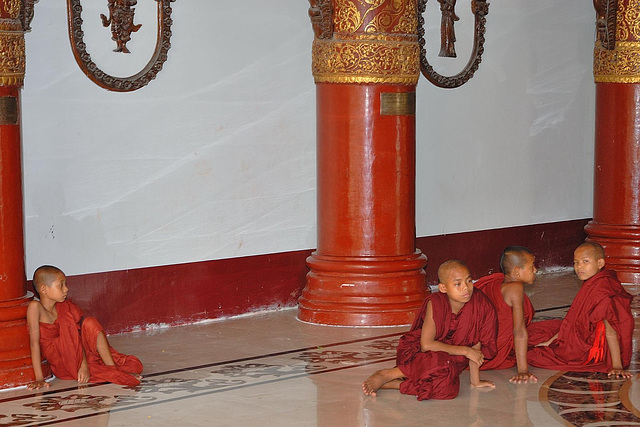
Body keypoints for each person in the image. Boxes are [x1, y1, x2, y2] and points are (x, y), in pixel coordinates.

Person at [362, 260, 498, 400]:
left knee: (448, 389)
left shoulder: (480, 304)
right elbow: (426, 345)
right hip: (423, 354)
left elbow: (475, 344)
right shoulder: (436, 303)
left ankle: (393, 384)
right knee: (436, 362)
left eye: (469, 281)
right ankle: (387, 374)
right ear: (443, 288)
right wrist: (465, 350)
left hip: (451, 360)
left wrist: (475, 382)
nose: (466, 288)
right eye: (458, 284)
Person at [26, 265, 143, 390]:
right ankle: (115, 373)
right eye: (61, 285)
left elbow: (75, 336)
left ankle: (112, 368)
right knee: (109, 369)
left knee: (90, 323)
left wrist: (83, 365)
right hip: (64, 362)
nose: (66, 289)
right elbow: (34, 344)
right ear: (44, 289)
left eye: (65, 284)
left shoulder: (63, 307)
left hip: (78, 353)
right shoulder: (35, 307)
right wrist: (39, 378)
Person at [527, 242, 634, 378]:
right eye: (576, 262)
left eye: (585, 261)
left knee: (535, 355)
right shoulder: (593, 281)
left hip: (594, 350)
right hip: (587, 333)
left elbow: (611, 330)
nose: (579, 267)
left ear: (600, 263)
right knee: (541, 334)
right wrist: (551, 341)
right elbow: (573, 319)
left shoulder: (604, 289)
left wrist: (617, 365)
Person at [474, 246, 538, 384]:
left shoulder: (497, 281)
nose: (535, 270)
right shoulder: (515, 288)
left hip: (478, 349)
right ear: (517, 271)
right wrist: (522, 370)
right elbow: (519, 331)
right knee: (553, 333)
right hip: (493, 352)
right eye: (532, 266)